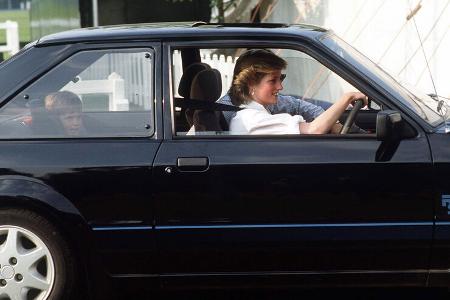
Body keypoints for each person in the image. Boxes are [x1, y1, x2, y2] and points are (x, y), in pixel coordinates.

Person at [222, 49, 367, 135]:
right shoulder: (252, 119)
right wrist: (347, 97)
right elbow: (314, 130)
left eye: (281, 79)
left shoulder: (253, 115)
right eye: (273, 81)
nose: (280, 87)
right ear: (251, 84)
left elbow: (298, 107)